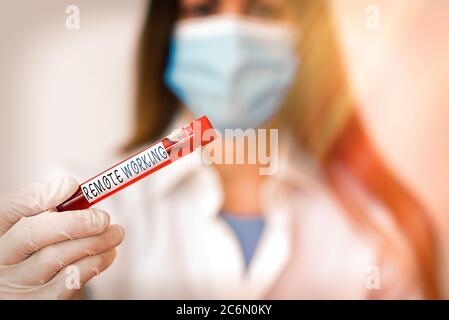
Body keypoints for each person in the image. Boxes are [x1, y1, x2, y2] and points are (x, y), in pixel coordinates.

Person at [0, 0, 440, 299]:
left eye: (261, 8)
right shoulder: (81, 208)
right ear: (169, 32)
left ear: (306, 38)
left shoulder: (375, 227)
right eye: (205, 8)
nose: (231, 37)